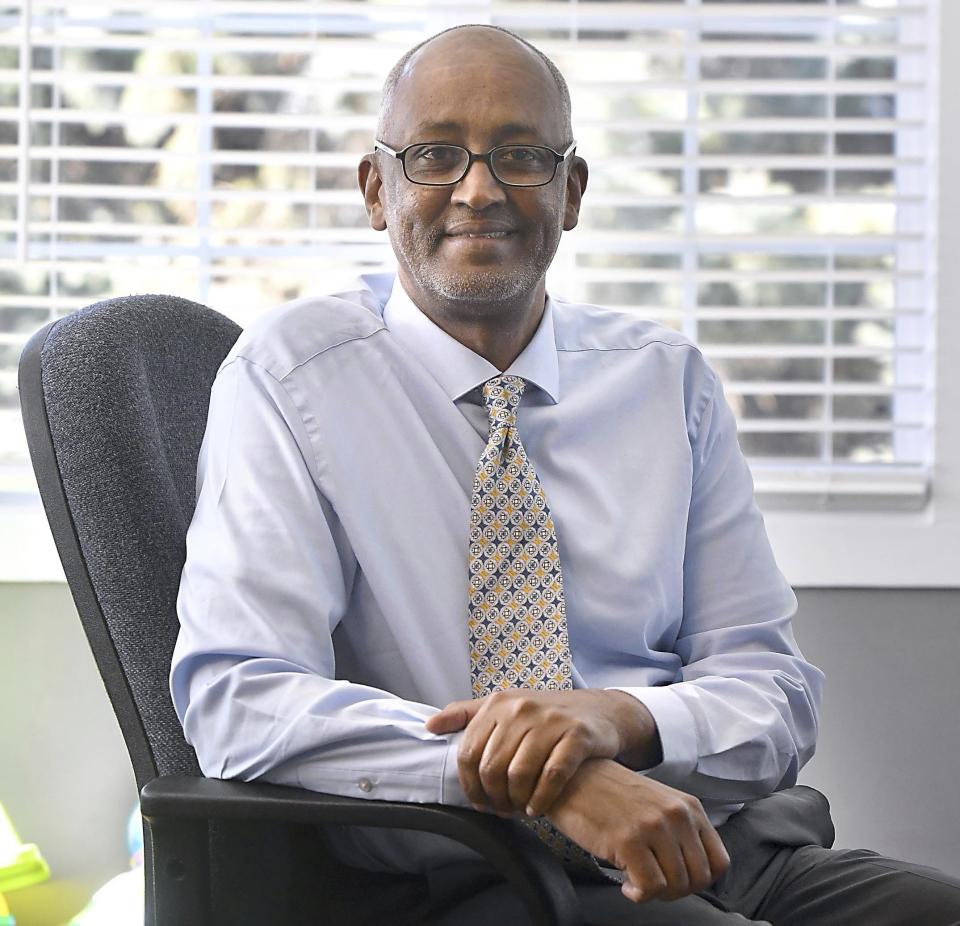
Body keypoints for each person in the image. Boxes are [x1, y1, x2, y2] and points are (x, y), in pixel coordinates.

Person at [170, 23, 960, 925]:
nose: (479, 189)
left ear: (570, 189)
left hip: (722, 845)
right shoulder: (290, 381)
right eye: (435, 154)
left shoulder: (666, 381)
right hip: (476, 871)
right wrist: (545, 782)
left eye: (520, 155)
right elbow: (240, 698)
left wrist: (618, 720)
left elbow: (775, 696)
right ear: (375, 190)